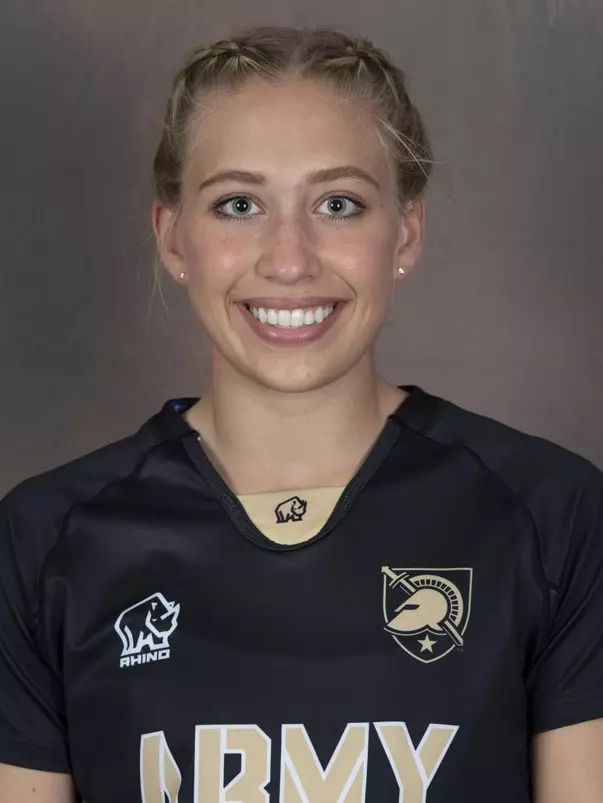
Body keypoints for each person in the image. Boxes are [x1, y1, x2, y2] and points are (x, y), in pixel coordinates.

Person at [0, 24, 602, 803]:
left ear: (406, 231)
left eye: (339, 203)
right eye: (238, 203)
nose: (289, 259)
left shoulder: (552, 515)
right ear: (173, 235)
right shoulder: (45, 540)